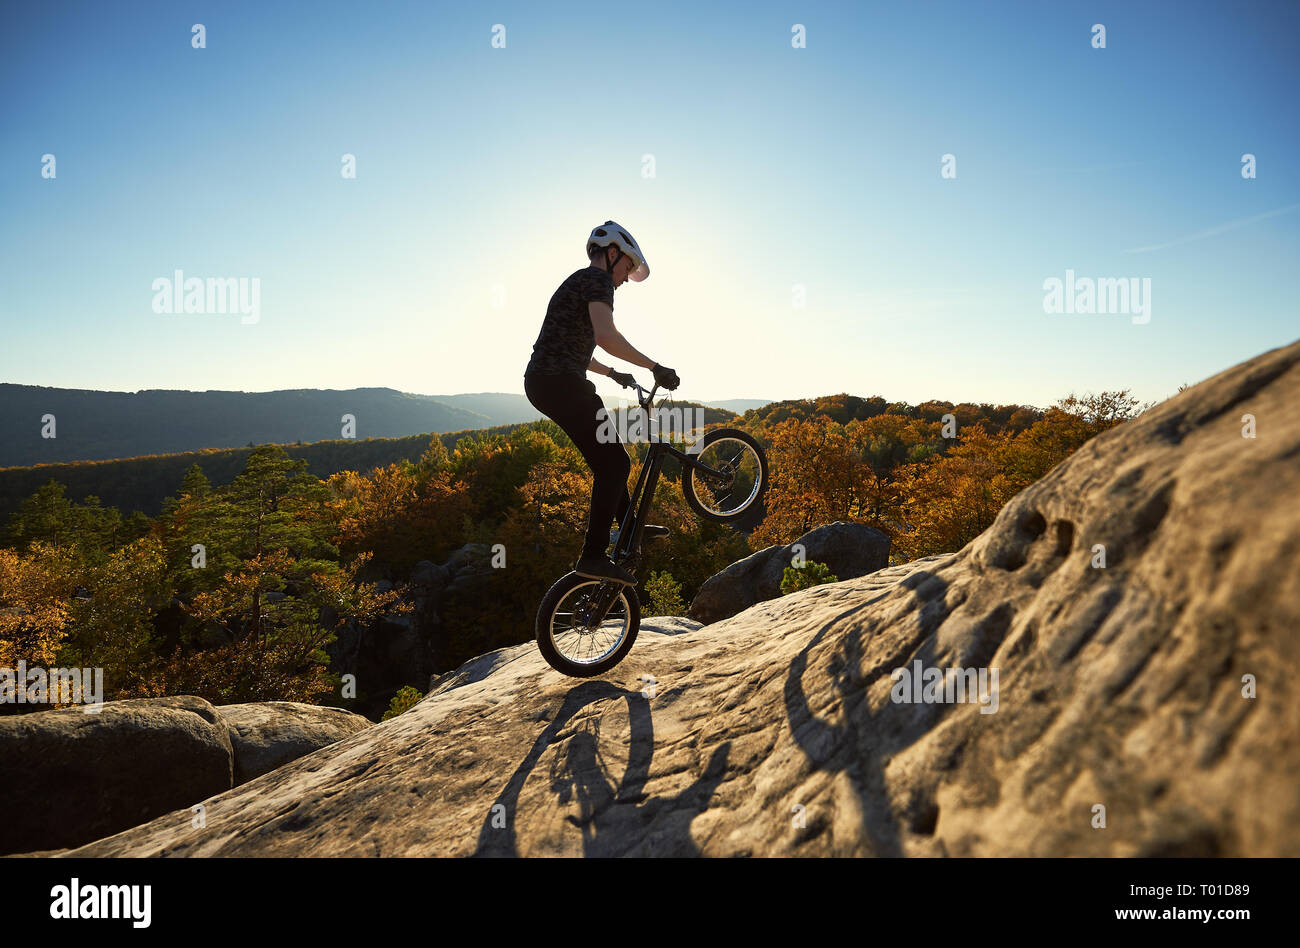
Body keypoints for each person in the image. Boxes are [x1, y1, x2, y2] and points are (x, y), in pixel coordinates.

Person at [523, 221, 680, 585]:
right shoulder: (598, 282)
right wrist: (654, 367)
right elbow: (606, 336)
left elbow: (575, 346)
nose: (625, 278)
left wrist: (612, 375)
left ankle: (630, 528)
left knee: (607, 460)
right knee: (615, 463)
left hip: (547, 381)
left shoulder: (577, 281)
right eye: (627, 267)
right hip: (560, 382)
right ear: (612, 255)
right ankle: (592, 556)